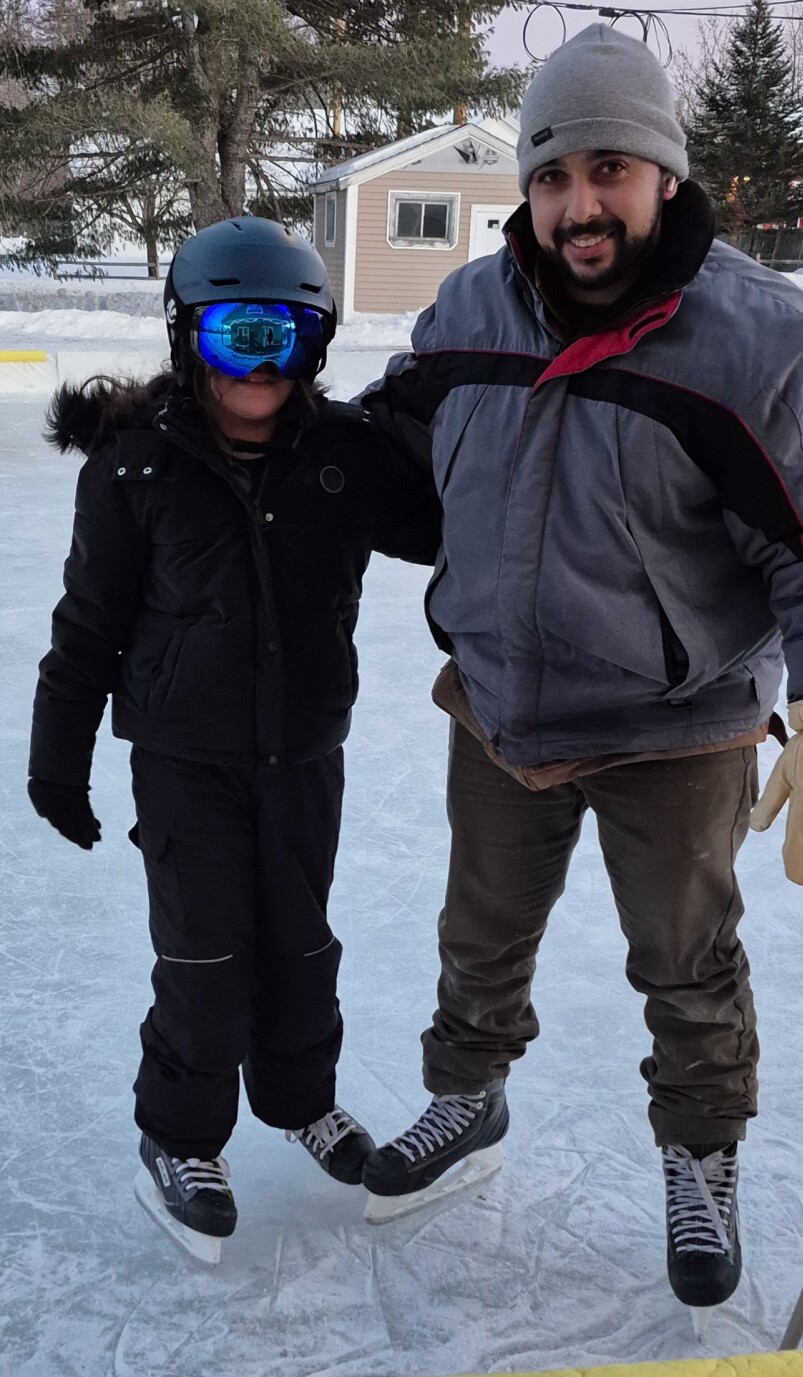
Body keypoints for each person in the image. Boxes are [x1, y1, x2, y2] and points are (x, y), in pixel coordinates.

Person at [357, 25, 803, 1310]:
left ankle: (700, 1159)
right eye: (551, 177)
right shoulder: (471, 306)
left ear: (663, 174)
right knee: (477, 940)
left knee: (685, 961)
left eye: (608, 170)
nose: (578, 207)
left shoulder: (758, 339)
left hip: (676, 727)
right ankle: (465, 1100)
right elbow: (393, 450)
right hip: (498, 706)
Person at [27, 217, 440, 1263]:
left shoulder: (343, 459)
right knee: (206, 954)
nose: (258, 367)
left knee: (302, 945)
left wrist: (436, 407)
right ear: (184, 340)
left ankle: (299, 1100)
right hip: (184, 760)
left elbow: (451, 524)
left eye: (285, 340)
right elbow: (87, 627)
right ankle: (179, 1138)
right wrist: (57, 755)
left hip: (305, 752)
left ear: (315, 349)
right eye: (231, 338)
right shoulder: (133, 471)